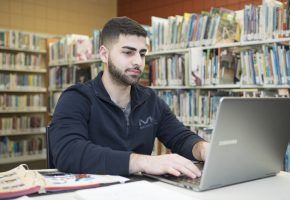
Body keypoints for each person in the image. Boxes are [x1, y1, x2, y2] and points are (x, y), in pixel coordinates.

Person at [49, 17, 209, 179]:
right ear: (104, 54)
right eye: (128, 52)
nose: (138, 62)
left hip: (139, 191)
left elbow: (180, 138)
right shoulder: (76, 97)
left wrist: (202, 148)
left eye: (142, 54)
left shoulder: (150, 100)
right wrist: (143, 162)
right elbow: (67, 153)